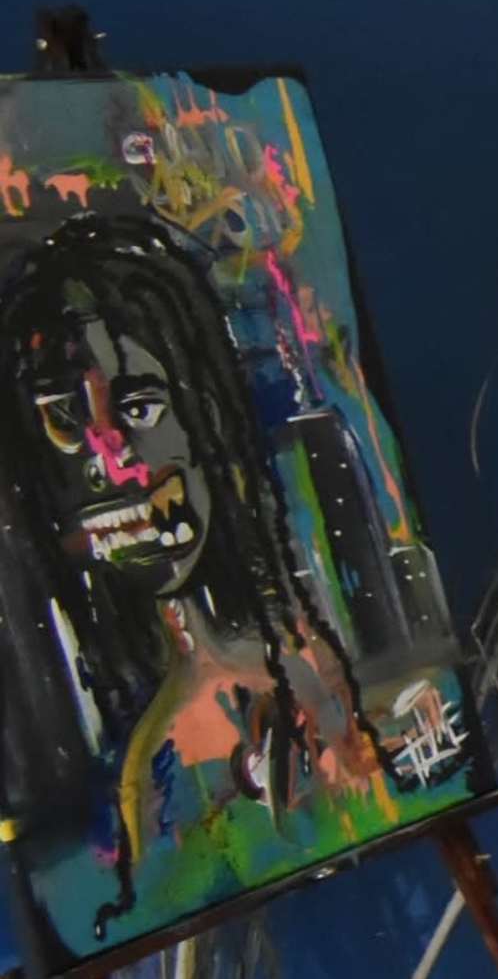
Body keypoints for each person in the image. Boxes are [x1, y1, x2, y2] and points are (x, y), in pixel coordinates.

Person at [0, 210, 378, 940]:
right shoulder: (139, 746)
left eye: (140, 405)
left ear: (206, 417)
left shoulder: (291, 662)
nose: (113, 455)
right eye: (63, 420)